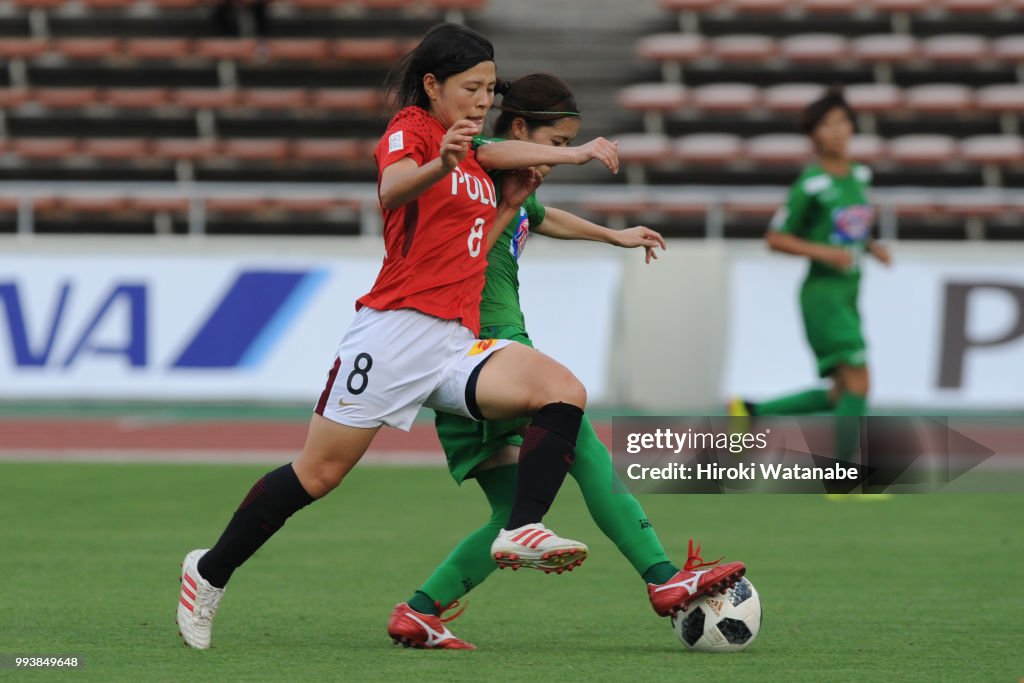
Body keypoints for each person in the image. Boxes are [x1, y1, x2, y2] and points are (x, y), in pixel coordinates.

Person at [176, 23, 622, 650]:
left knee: (562, 390)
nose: (481, 98)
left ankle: (521, 529)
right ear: (433, 84)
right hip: (392, 334)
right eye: (471, 87)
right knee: (319, 474)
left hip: (455, 342)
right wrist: (439, 162)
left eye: (490, 88)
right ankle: (209, 569)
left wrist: (563, 162)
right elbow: (392, 187)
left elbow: (491, 183)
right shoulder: (412, 131)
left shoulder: (472, 148)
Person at [385, 73, 747, 650]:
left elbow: (541, 217)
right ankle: (662, 578)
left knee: (509, 510)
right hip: (486, 351)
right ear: (521, 130)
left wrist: (612, 235)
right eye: (553, 144)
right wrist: (564, 168)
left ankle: (420, 610)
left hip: (453, 359)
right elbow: (481, 204)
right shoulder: (482, 172)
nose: (552, 159)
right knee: (587, 448)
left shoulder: (510, 185)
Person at [730, 86, 892, 466]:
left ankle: (752, 409)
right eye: (826, 124)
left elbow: (850, 227)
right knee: (859, 381)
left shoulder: (859, 175)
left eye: (842, 122)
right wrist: (823, 252)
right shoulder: (810, 184)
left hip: (849, 293)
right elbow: (775, 238)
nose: (836, 131)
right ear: (813, 135)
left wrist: (871, 245)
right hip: (824, 295)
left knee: (842, 392)